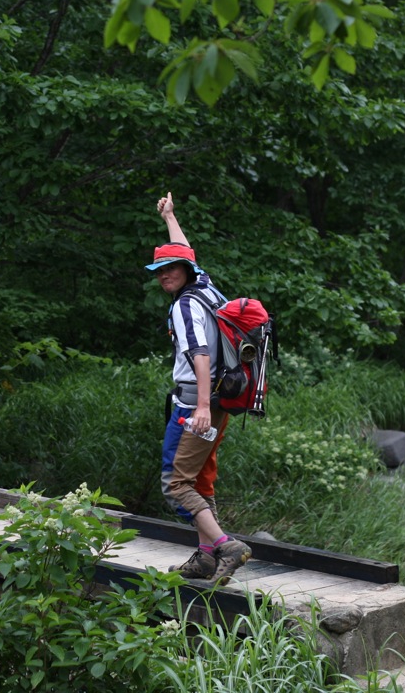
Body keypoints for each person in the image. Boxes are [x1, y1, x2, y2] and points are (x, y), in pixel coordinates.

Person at [146, 191, 252, 586]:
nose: (163, 275)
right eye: (158, 270)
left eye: (170, 268)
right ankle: (206, 559)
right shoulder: (205, 287)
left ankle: (226, 546)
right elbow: (186, 251)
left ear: (184, 270)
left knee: (176, 485)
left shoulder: (184, 305)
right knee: (200, 480)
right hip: (220, 399)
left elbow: (201, 354)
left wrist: (202, 406)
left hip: (196, 401)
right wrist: (170, 216)